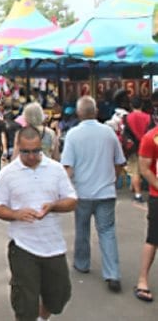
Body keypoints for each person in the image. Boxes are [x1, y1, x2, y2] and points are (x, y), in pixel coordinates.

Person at [0, 126, 77, 321]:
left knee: (60, 296)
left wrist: (53, 206)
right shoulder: (7, 174)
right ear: (18, 148)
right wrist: (16, 214)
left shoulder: (55, 169)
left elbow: (72, 201)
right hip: (23, 246)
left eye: (36, 151)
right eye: (25, 152)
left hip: (53, 246)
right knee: (24, 303)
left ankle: (42, 318)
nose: (31, 156)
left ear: (42, 147)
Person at [60, 96, 126, 293]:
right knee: (107, 232)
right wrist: (113, 178)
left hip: (82, 192)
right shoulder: (109, 133)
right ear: (96, 112)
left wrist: (62, 190)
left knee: (82, 229)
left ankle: (82, 263)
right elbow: (120, 161)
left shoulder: (73, 135)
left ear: (79, 113)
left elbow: (68, 167)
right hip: (106, 191)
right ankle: (112, 273)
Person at [134, 120, 158, 302]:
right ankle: (143, 279)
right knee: (153, 238)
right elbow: (144, 168)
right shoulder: (152, 138)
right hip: (157, 196)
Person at [123, 96, 150, 203]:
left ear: (131, 105)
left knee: (135, 172)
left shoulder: (127, 118)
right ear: (142, 105)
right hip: (147, 147)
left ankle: (138, 194)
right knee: (149, 170)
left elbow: (125, 134)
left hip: (133, 148)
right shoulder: (148, 117)